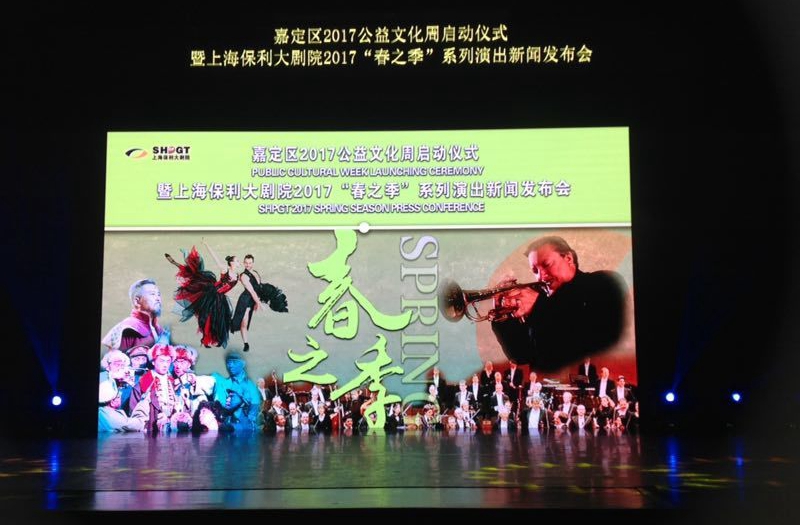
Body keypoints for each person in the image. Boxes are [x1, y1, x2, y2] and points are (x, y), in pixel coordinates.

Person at [491, 236, 627, 371]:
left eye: (547, 265)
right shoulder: (541, 298)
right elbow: (521, 356)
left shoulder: (604, 282)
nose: (541, 276)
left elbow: (590, 336)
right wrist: (502, 318)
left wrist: (538, 305)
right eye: (535, 271)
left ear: (568, 258)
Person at [165, 239, 240, 348]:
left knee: (220, 319)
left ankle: (216, 338)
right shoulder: (224, 269)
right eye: (237, 261)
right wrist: (206, 244)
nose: (239, 262)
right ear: (231, 262)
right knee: (208, 317)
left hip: (220, 298)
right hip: (211, 294)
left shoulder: (238, 275)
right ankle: (206, 339)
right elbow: (214, 257)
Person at [230, 254, 288, 352]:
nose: (248, 265)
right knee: (244, 323)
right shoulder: (244, 276)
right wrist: (259, 304)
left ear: (253, 263)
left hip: (252, 300)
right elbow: (252, 291)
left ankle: (245, 342)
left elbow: (258, 288)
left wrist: (259, 301)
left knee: (245, 323)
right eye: (246, 263)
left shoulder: (255, 272)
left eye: (250, 263)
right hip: (245, 301)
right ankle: (246, 344)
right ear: (243, 263)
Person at [101, 279, 165, 352]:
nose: (158, 298)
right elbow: (115, 358)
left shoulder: (158, 329)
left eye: (158, 294)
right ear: (137, 301)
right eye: (152, 294)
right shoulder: (127, 329)